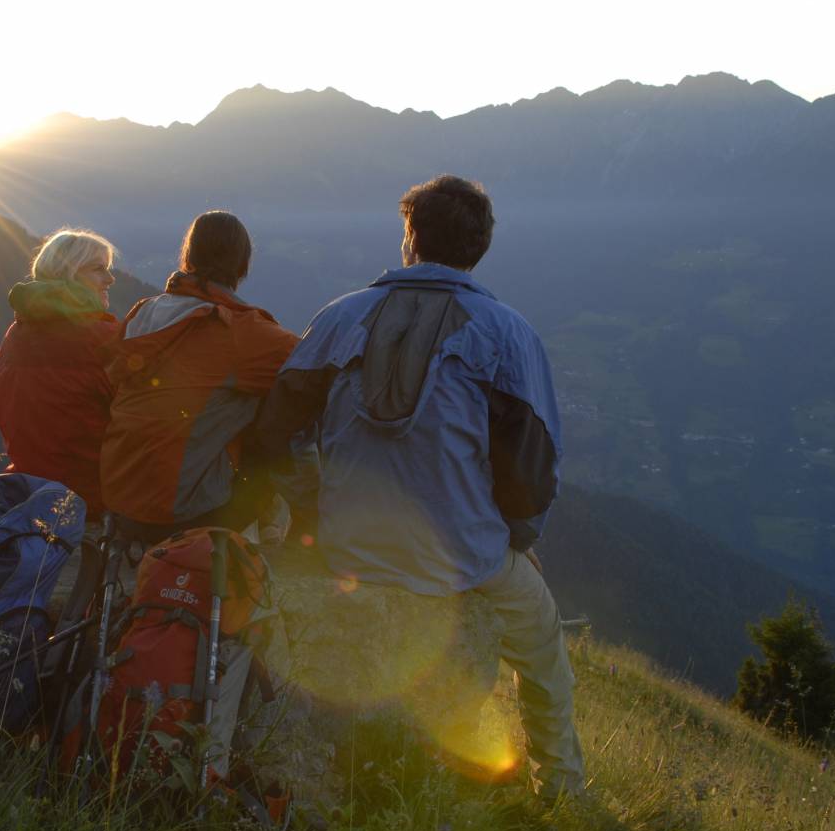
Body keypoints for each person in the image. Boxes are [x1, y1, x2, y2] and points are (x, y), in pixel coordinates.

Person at [248, 175, 586, 798]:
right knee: (542, 648)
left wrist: (306, 510)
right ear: (478, 248)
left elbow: (274, 432)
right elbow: (532, 468)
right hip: (460, 556)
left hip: (344, 546)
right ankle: (560, 786)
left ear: (410, 239)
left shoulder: (339, 317)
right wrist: (515, 539)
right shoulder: (508, 333)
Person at [100, 210, 298, 539]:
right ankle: (276, 536)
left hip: (120, 497)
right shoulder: (241, 332)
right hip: (185, 512)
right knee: (280, 401)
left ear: (188, 256)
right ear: (242, 263)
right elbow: (311, 367)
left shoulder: (143, 312)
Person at [0, 228, 119, 519]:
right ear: (68, 274)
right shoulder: (102, 337)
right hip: (92, 493)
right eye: (99, 269)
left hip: (29, 485)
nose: (110, 279)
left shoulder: (16, 334)